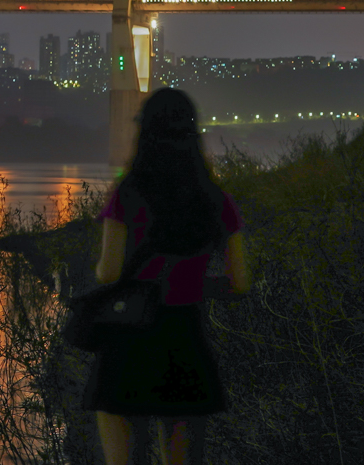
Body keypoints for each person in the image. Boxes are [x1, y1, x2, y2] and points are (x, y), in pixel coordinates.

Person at [84, 87, 250, 465]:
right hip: (184, 339)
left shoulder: (128, 195)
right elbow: (239, 282)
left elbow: (108, 272)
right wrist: (191, 284)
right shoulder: (216, 200)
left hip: (128, 342)